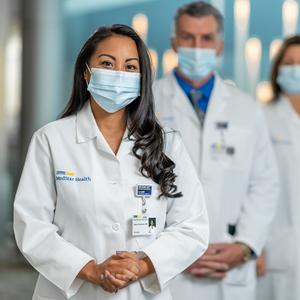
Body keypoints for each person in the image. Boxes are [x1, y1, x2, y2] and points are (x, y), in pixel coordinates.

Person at [13, 24, 209, 300]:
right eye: (107, 63)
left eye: (130, 67)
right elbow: (31, 226)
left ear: (142, 77)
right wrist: (91, 270)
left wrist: (142, 266)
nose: (119, 74)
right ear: (86, 72)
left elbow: (192, 226)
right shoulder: (51, 140)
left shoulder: (168, 144)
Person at [153, 2, 278, 300]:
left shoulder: (246, 108)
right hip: (166, 265)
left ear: (220, 46)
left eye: (206, 38)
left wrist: (246, 245)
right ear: (174, 43)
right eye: (187, 37)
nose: (197, 47)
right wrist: (171, 249)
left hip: (230, 264)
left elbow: (265, 183)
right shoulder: (149, 103)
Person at [256, 35, 300, 300]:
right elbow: (247, 186)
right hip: (274, 248)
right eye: (289, 62)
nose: (295, 69)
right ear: (277, 69)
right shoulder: (261, 117)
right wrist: (253, 244)